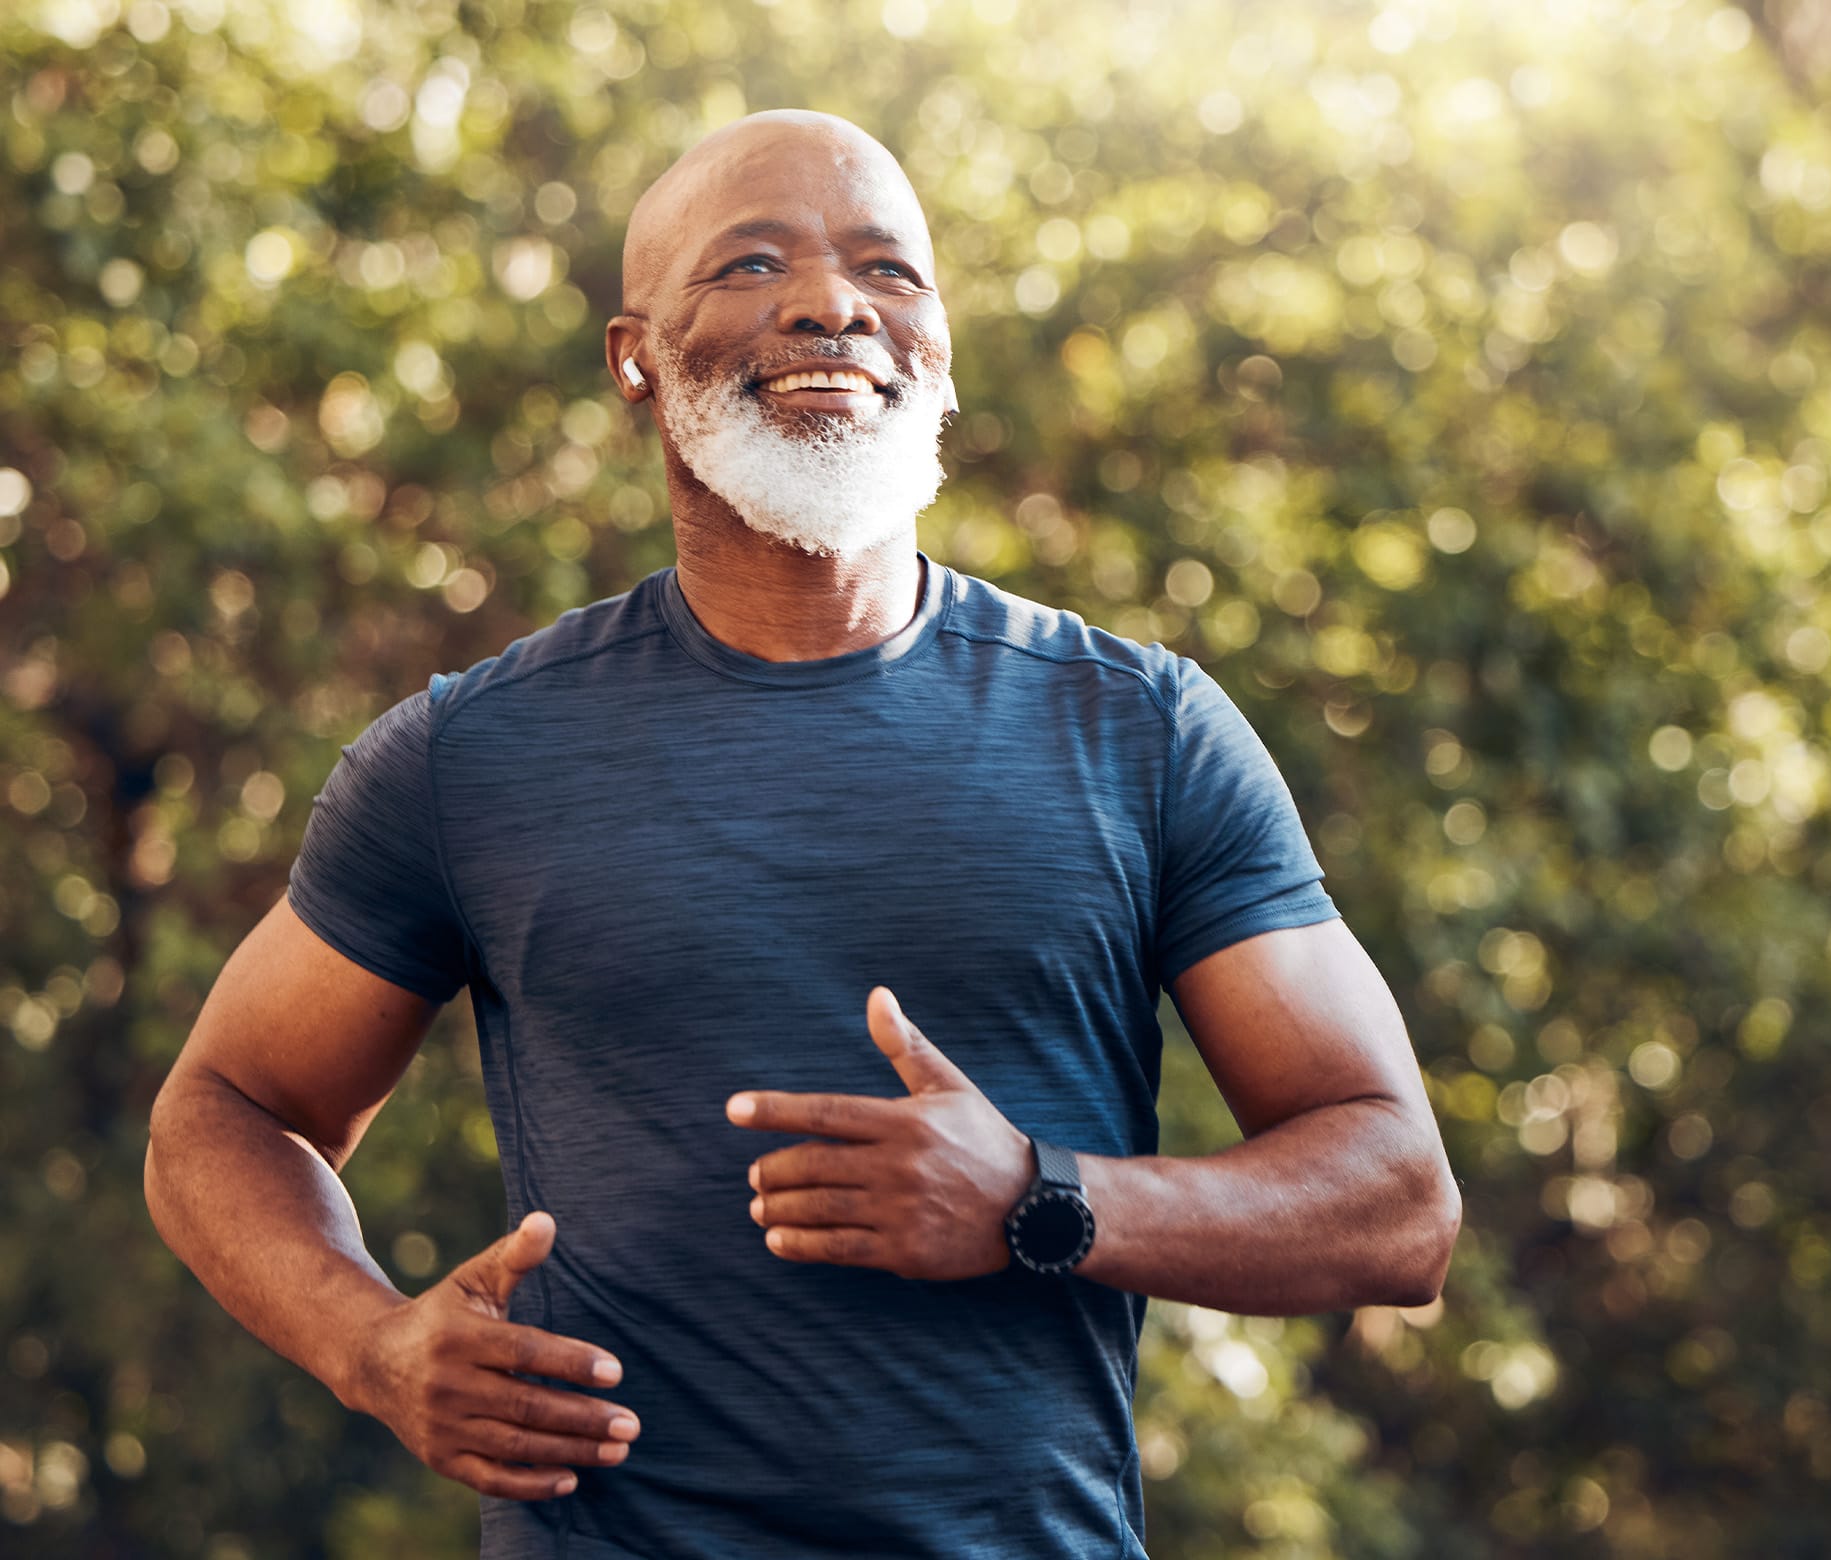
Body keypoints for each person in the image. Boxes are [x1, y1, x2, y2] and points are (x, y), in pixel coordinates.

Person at [145, 109, 1461, 1559]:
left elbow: (1398, 1205)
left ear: (940, 344)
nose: (832, 302)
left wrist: (1040, 1200)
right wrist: (371, 1349)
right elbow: (225, 1109)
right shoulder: (474, 754)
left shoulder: (1139, 731)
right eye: (751, 261)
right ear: (634, 354)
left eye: (887, 270)